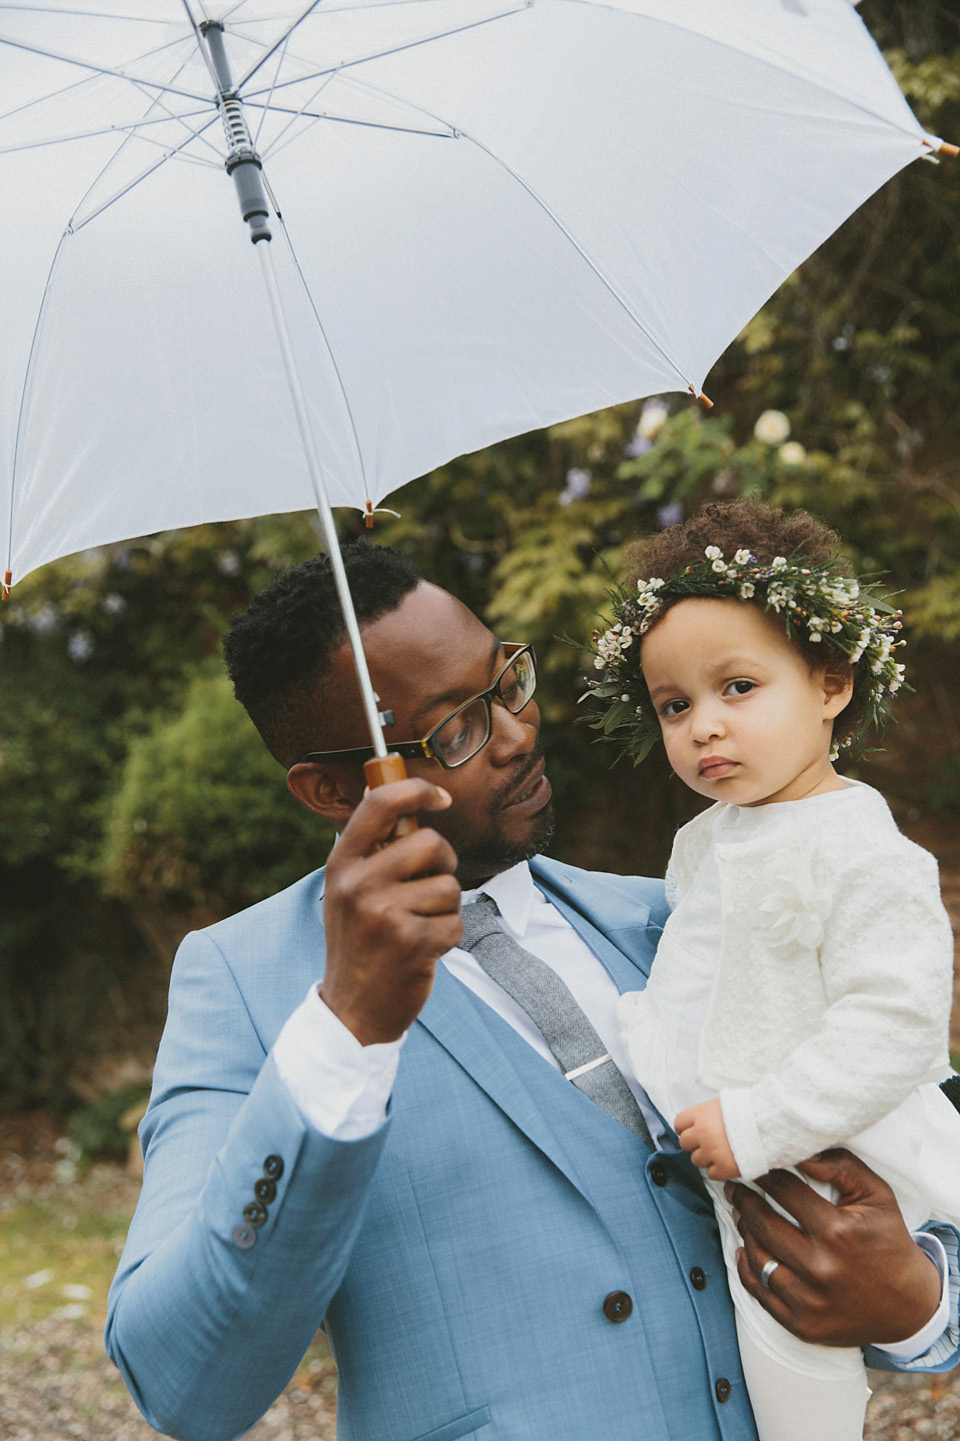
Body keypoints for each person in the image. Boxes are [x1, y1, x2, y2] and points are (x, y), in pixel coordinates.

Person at [106, 539, 960, 1441]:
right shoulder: (241, 983)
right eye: (454, 731)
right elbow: (180, 1383)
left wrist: (917, 1301)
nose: (517, 733)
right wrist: (345, 1025)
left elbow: (912, 1132)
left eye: (506, 679)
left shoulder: (680, 914)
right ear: (329, 789)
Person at [585, 499, 960, 1441]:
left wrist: (758, 1120)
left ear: (830, 685)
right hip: (731, 1160)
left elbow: (896, 1026)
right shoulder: (702, 840)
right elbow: (698, 970)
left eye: (739, 687)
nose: (704, 726)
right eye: (676, 706)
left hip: (829, 1160)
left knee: (796, 1378)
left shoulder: (866, 852)